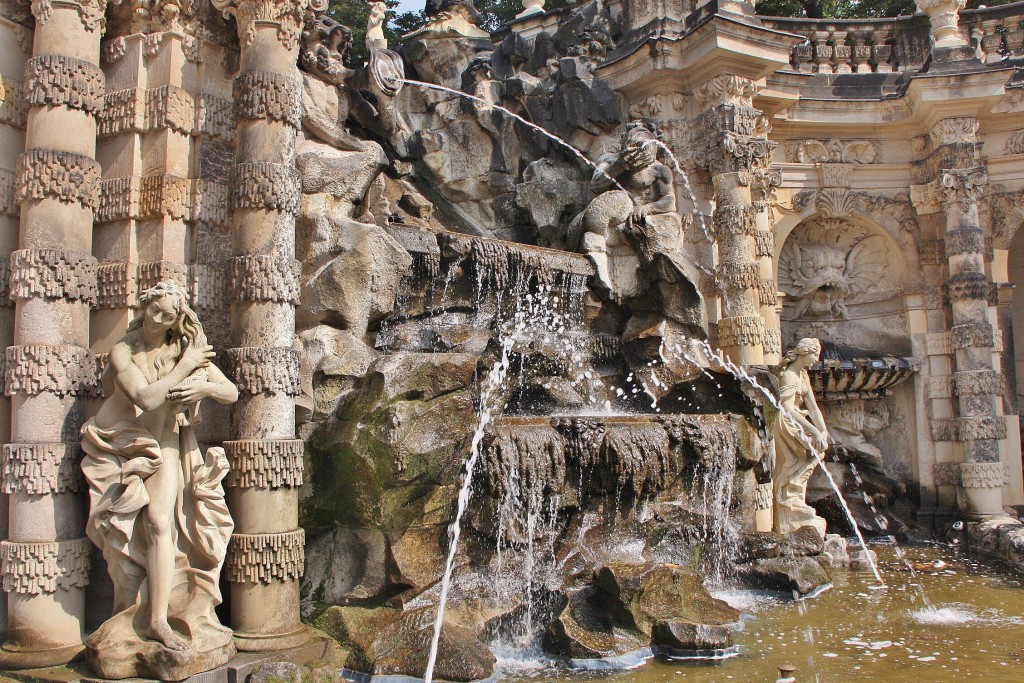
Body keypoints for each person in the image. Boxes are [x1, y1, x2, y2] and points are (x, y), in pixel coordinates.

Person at [82, 281, 238, 660]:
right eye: (155, 310)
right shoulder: (125, 350)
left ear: (177, 320)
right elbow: (145, 398)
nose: (158, 319)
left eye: (169, 316)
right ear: (145, 305)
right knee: (138, 527)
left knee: (158, 522)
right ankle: (143, 616)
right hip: (123, 443)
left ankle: (158, 620)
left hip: (165, 445)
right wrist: (186, 370)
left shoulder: (184, 348)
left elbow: (230, 392)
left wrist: (201, 389)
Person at [772, 337, 829, 537]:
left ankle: (795, 498)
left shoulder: (802, 375)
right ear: (805, 353)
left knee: (816, 453)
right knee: (792, 462)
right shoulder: (788, 375)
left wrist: (822, 430)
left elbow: (813, 407)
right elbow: (787, 408)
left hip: (799, 420)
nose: (816, 360)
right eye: (815, 355)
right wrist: (813, 431)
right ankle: (787, 503)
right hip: (787, 422)